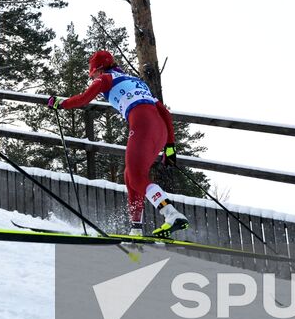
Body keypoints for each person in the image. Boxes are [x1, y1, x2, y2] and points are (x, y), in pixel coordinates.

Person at [46, 50, 189, 238]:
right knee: (131, 176)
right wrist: (170, 147)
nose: (93, 78)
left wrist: (60, 103)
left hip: (143, 123)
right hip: (159, 130)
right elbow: (164, 112)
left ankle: (170, 214)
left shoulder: (105, 79)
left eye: (93, 74)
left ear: (98, 70)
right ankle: (136, 228)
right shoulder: (135, 80)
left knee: (136, 177)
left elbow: (84, 99)